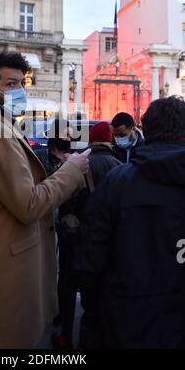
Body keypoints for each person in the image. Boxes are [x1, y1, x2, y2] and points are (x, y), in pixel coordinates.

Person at [0, 52, 91, 349]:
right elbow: (28, 205)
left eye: (22, 83)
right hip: (4, 272)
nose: (20, 91)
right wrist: (71, 171)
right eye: (11, 83)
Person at [78, 96, 185, 349]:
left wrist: (94, 314)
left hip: (125, 321)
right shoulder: (117, 179)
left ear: (145, 131)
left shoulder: (117, 182)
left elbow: (90, 262)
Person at [51, 122, 121, 349]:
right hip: (105, 241)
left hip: (75, 236)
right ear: (110, 140)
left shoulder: (79, 163)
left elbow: (65, 198)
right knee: (100, 288)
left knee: (68, 284)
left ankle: (65, 335)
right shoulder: (119, 167)